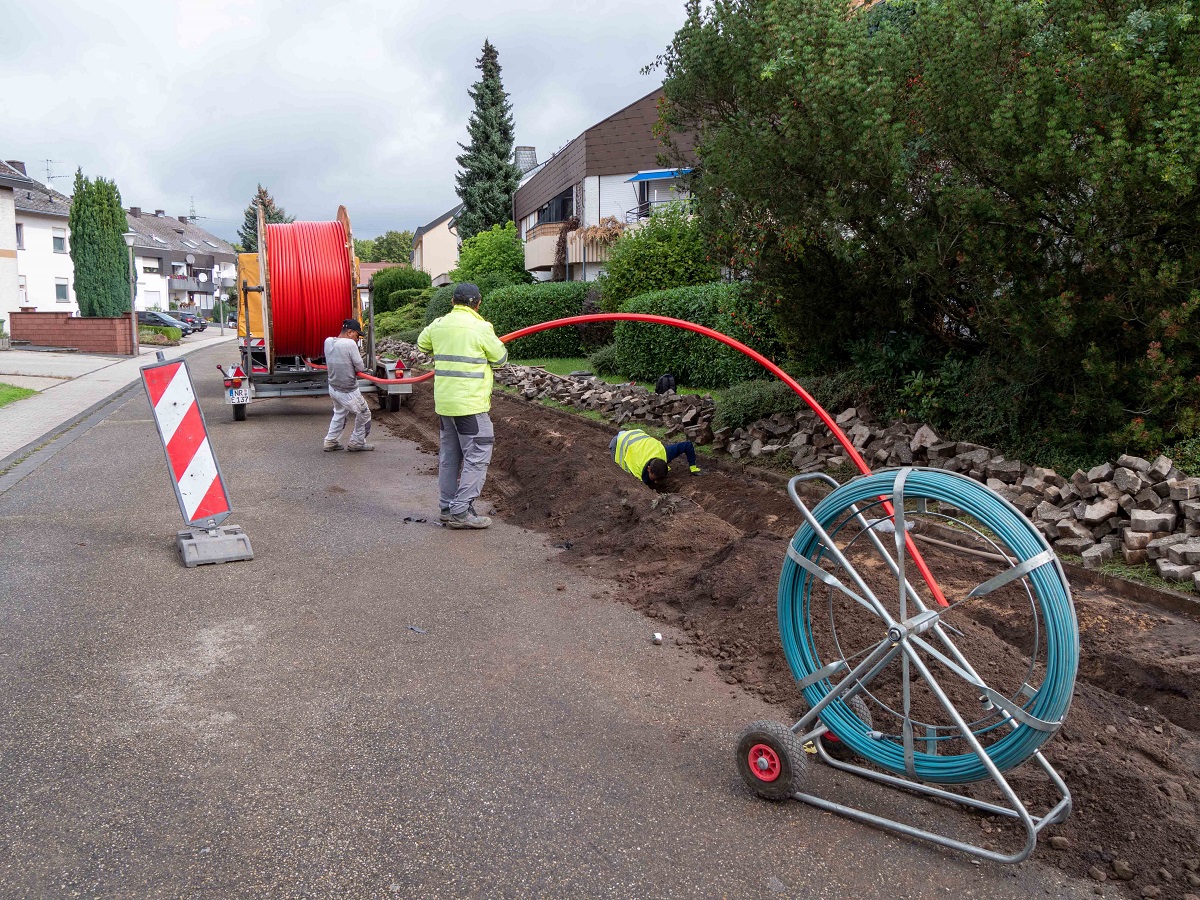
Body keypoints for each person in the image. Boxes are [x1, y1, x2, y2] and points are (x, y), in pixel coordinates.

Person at [416, 283, 508, 529]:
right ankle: (461, 511)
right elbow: (500, 359)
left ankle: (447, 508)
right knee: (477, 456)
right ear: (477, 303)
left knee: (449, 457)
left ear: (453, 302)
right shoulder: (481, 327)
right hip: (470, 406)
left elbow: (422, 345)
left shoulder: (438, 325)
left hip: (445, 405)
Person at [322, 318, 374, 452]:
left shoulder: (328, 341)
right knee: (364, 414)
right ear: (350, 332)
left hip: (333, 388)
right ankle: (357, 443)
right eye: (357, 335)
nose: (357, 339)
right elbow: (360, 367)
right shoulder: (350, 344)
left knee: (339, 413)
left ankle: (330, 441)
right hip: (348, 390)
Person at [610, 428, 702, 488]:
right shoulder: (636, 470)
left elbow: (687, 445)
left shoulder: (664, 453)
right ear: (648, 469)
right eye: (654, 479)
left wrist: (693, 468)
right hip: (619, 442)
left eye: (659, 479)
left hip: (637, 434)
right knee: (618, 471)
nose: (657, 482)